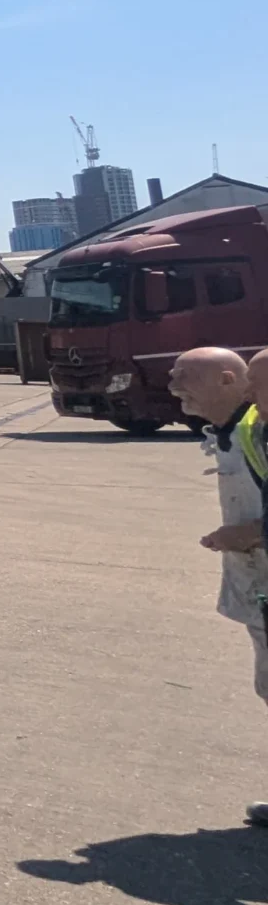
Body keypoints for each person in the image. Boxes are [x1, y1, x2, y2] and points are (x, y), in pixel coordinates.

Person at [167, 346, 268, 828]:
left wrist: (247, 534)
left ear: (230, 380)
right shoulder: (237, 431)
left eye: (186, 375)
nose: (174, 384)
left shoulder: (257, 429)